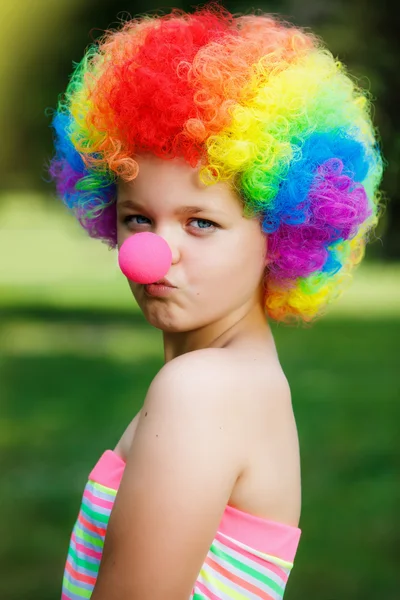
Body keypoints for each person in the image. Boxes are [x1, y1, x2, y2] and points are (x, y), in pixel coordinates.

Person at [48, 3, 383, 599]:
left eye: (200, 223)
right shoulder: (238, 379)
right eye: (137, 217)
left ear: (280, 236)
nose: (154, 252)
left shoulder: (202, 392)